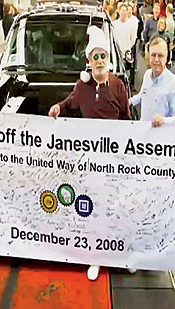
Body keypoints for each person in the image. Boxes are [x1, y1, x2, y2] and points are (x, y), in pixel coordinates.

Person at [48, 26, 130, 280]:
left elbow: (127, 118)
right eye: (95, 57)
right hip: (90, 161)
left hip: (114, 159)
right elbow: (71, 102)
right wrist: (58, 108)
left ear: (108, 59)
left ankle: (122, 255)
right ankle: (95, 257)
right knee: (94, 208)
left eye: (103, 56)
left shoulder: (118, 86)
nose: (99, 61)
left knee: (117, 207)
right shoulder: (82, 87)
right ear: (88, 61)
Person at [131, 36, 175, 127]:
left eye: (160, 56)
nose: (156, 60)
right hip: (143, 133)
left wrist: (163, 120)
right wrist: (129, 101)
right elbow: (143, 94)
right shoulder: (147, 75)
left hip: (163, 138)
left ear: (167, 57)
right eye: (153, 55)